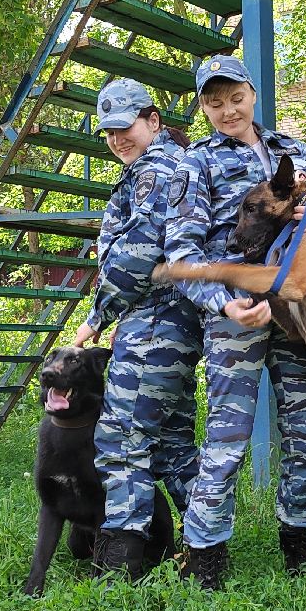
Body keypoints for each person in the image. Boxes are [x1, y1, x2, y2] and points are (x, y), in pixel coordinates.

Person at [164, 54, 306, 589]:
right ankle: (205, 561)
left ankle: (299, 558)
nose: (227, 111)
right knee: (227, 441)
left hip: (301, 315)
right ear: (203, 106)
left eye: (236, 98)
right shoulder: (196, 165)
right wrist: (223, 304)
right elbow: (182, 252)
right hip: (239, 315)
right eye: (214, 103)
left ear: (252, 94)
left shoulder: (293, 150)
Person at [70, 77, 201, 580]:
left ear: (153, 121)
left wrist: (96, 316)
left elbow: (141, 252)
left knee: (122, 439)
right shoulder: (155, 167)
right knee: (170, 445)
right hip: (167, 324)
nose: (117, 139)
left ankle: (120, 565)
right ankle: (206, 548)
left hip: (154, 326)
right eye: (108, 132)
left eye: (126, 127)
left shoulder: (156, 169)